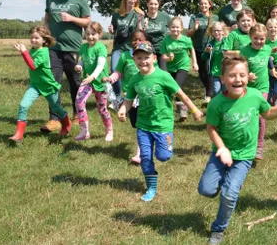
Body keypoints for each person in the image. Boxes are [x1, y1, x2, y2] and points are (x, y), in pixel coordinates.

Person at [198, 56, 277, 245]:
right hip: (222, 153)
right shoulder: (216, 103)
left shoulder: (255, 95)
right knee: (206, 190)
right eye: (232, 75)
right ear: (223, 78)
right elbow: (211, 128)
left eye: (242, 75)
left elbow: (268, 113)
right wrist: (222, 148)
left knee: (229, 193)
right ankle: (227, 183)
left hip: (244, 155)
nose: (237, 79)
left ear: (248, 77)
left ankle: (218, 229)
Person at [118, 42, 203, 202]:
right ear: (134, 60)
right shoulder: (135, 80)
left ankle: (165, 146)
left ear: (154, 58)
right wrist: (123, 109)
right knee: (145, 157)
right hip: (143, 125)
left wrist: (194, 110)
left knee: (163, 156)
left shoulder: (163, 76)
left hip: (163, 124)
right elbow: (129, 100)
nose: (143, 61)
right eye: (139, 58)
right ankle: (151, 187)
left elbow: (181, 95)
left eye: (146, 57)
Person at [42, 0, 91, 133]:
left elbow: (87, 22)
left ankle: (77, 114)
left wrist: (71, 19)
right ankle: (54, 119)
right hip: (54, 50)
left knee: (75, 84)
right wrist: (45, 37)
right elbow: (47, 20)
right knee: (53, 84)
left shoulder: (81, 0)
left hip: (74, 49)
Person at [9, 26, 73, 142]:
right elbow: (29, 58)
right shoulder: (33, 50)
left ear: (44, 40)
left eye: (36, 38)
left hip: (48, 85)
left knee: (56, 108)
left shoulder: (43, 52)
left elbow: (33, 66)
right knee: (23, 105)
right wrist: (22, 51)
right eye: (32, 37)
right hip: (35, 85)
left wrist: (23, 52)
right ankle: (19, 135)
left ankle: (66, 125)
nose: (33, 40)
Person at [106, 30, 149, 164]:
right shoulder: (125, 56)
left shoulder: (148, 56)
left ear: (145, 40)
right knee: (135, 124)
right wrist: (111, 79)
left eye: (140, 39)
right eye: (135, 39)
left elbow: (155, 72)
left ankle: (140, 153)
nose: (137, 42)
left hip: (145, 95)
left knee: (142, 124)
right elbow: (118, 72)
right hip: (130, 96)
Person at [74, 22, 113, 141]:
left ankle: (109, 129)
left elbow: (101, 65)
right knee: (79, 101)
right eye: (88, 34)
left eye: (93, 34)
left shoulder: (101, 47)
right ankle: (84, 131)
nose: (90, 37)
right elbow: (82, 60)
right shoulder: (83, 47)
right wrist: (79, 66)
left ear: (100, 34)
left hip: (101, 81)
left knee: (102, 109)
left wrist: (93, 76)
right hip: (87, 80)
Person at [239, 24, 272, 159]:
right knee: (246, 116)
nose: (259, 42)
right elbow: (240, 68)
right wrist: (247, 76)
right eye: (256, 39)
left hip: (263, 88)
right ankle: (245, 142)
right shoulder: (245, 51)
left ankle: (259, 146)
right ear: (250, 37)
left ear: (266, 38)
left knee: (260, 117)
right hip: (247, 88)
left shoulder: (268, 49)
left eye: (262, 39)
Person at [109, 0, 144, 100]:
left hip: (132, 48)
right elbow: (114, 30)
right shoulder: (117, 15)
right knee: (115, 70)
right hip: (118, 48)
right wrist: (111, 30)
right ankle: (118, 96)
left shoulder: (138, 13)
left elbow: (141, 32)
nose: (132, 1)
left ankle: (135, 95)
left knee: (135, 72)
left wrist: (139, 21)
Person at [160, 17, 198, 121]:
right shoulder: (166, 41)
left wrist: (194, 63)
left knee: (176, 86)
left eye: (177, 27)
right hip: (171, 67)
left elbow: (192, 50)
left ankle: (182, 109)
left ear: (181, 28)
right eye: (173, 27)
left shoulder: (186, 40)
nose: (175, 29)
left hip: (183, 66)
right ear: (169, 28)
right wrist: (168, 58)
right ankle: (173, 109)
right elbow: (163, 57)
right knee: (173, 88)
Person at [188, 0, 219, 102]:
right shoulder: (194, 17)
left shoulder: (215, 18)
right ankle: (207, 88)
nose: (203, 5)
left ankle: (209, 95)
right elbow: (188, 34)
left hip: (210, 48)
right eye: (201, 4)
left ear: (210, 5)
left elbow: (220, 30)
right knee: (201, 73)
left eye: (205, 3)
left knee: (208, 70)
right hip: (198, 48)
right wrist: (194, 29)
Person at [142, 0, 171, 69]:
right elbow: (139, 34)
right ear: (147, 4)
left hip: (162, 50)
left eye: (155, 4)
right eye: (151, 4)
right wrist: (143, 26)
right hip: (148, 50)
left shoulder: (164, 16)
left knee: (163, 72)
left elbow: (174, 28)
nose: (153, 6)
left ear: (159, 5)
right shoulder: (142, 17)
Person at [202, 22, 228, 97]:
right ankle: (218, 106)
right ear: (212, 32)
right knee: (216, 91)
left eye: (219, 30)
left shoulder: (227, 42)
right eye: (214, 31)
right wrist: (206, 52)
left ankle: (226, 107)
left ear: (223, 31)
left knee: (226, 91)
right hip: (215, 71)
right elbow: (203, 57)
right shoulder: (210, 44)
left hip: (225, 71)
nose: (216, 32)